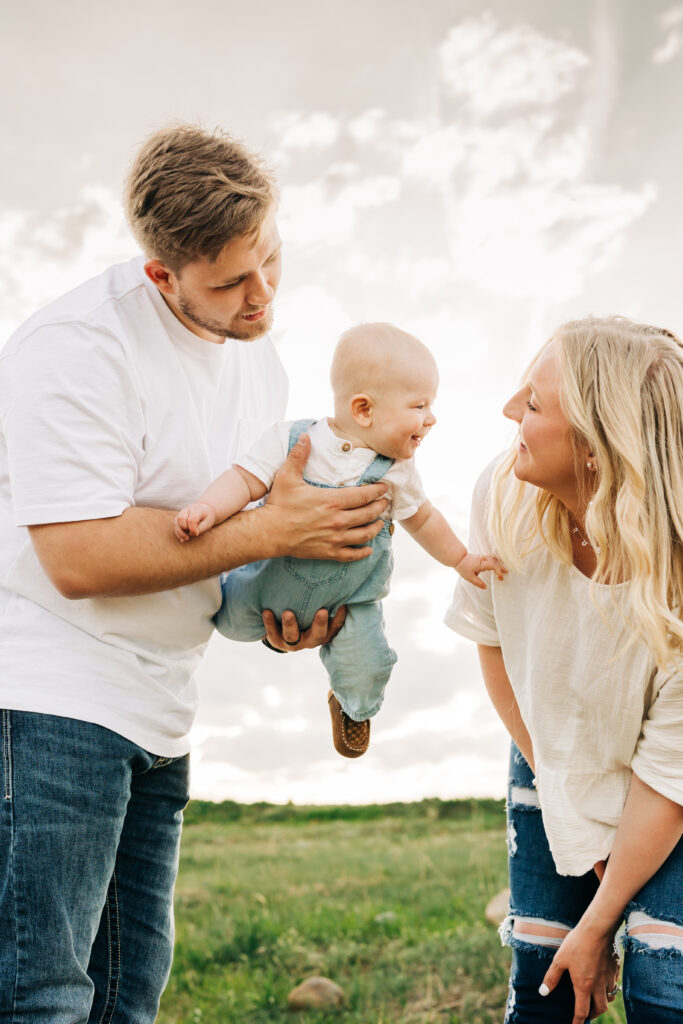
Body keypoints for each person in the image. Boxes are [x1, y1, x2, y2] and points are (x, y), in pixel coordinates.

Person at [0, 125, 390, 1022]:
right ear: (160, 275)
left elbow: (223, 539)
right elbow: (77, 556)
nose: (261, 298)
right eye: (229, 283)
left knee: (127, 1000)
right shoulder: (72, 349)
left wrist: (291, 599)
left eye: (270, 261)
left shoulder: (261, 360)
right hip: (51, 703)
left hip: (163, 708)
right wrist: (268, 529)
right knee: (39, 998)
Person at [446, 316, 683, 1024]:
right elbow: (493, 645)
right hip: (547, 742)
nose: (508, 411)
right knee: (541, 978)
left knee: (662, 989)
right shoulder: (502, 492)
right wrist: (568, 807)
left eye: (535, 403)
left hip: (669, 779)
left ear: (593, 443)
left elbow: (666, 780)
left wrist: (600, 919)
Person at [174, 323, 504, 758]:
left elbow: (424, 519)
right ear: (364, 409)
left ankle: (353, 704)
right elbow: (244, 479)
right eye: (420, 405)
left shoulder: (397, 472)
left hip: (352, 601)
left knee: (368, 665)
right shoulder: (293, 441)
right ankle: (251, 613)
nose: (431, 418)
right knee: (232, 622)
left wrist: (460, 559)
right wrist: (209, 510)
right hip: (273, 576)